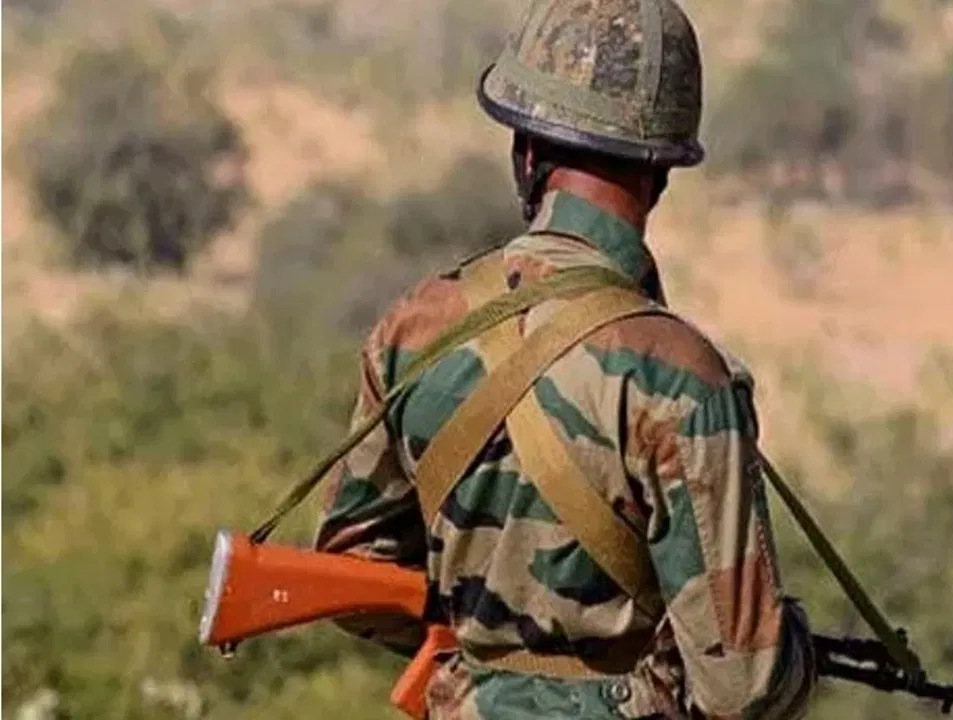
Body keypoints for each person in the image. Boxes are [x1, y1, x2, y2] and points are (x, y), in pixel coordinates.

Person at [312, 0, 818, 717]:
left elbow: (350, 566)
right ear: (662, 172)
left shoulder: (415, 328)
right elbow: (741, 687)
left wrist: (488, 662)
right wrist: (793, 652)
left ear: (526, 154)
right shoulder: (681, 374)